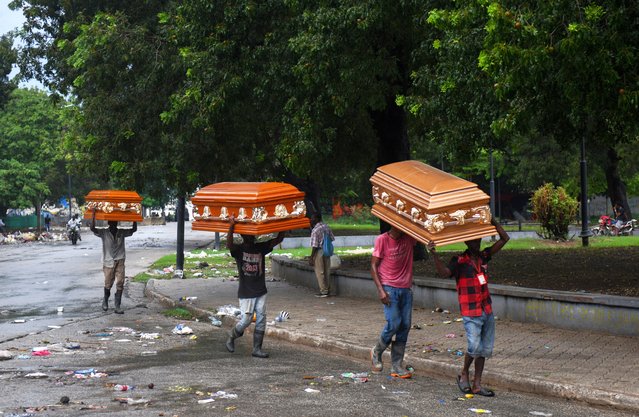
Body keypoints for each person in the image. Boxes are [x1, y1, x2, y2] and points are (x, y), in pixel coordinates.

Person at [428, 218, 509, 397]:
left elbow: (504, 239)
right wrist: (434, 254)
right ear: (466, 241)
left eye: (478, 239)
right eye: (472, 240)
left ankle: (477, 384)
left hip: (486, 309)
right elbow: (444, 273)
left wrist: (493, 221)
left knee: (484, 350)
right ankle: (464, 372)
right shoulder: (459, 261)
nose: (476, 243)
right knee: (474, 346)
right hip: (470, 311)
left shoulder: (484, 257)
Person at [225, 215, 285, 358]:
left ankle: (257, 349)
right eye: (248, 233)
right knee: (246, 319)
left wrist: (283, 225)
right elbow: (229, 244)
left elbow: (278, 239)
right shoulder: (238, 250)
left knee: (261, 318)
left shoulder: (260, 247)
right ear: (243, 235)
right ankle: (231, 336)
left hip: (260, 290)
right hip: (246, 292)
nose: (251, 236)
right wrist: (232, 226)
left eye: (253, 234)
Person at [370, 226, 417, 379]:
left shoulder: (409, 237)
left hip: (405, 289)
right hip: (389, 287)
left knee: (405, 326)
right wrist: (380, 290)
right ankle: (377, 351)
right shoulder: (382, 240)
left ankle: (397, 365)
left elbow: (424, 234)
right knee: (394, 323)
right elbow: (373, 265)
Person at [90, 209, 137, 314]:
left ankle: (117, 306)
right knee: (108, 283)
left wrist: (134, 217)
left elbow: (133, 230)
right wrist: (93, 216)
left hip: (120, 258)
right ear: (108, 223)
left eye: (114, 222)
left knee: (120, 282)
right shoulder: (104, 232)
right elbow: (93, 229)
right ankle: (105, 300)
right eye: (111, 222)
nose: (112, 224)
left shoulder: (122, 232)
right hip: (108, 261)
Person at [309, 213, 335, 297]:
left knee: (320, 272)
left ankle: (323, 291)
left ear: (316, 218)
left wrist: (311, 257)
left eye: (312, 218)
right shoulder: (326, 226)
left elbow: (314, 246)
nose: (311, 220)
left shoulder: (315, 230)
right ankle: (328, 289)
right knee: (327, 270)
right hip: (327, 251)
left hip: (319, 251)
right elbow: (332, 238)